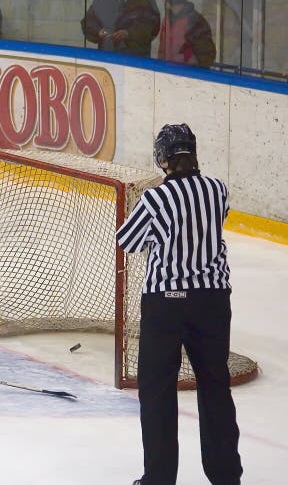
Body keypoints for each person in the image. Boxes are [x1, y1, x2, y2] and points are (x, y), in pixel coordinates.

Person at [116, 123, 242, 485]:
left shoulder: (155, 199)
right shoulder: (218, 190)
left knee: (157, 393)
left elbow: (129, 241)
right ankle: (226, 477)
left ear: (163, 158)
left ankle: (158, 479)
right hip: (213, 301)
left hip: (166, 304)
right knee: (215, 387)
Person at [157, 0, 216, 68]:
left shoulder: (195, 22)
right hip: (167, 72)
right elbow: (162, 49)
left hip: (186, 75)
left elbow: (207, 55)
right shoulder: (167, 20)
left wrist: (189, 60)